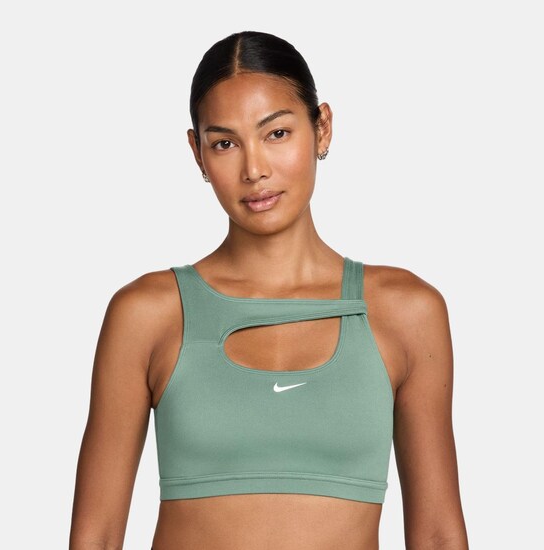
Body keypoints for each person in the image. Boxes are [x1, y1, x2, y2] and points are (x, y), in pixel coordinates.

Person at [69, 30, 469, 550]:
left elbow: (438, 536)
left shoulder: (405, 311)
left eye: (276, 133)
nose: (254, 170)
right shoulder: (148, 314)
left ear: (322, 128)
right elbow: (96, 537)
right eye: (224, 143)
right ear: (197, 153)